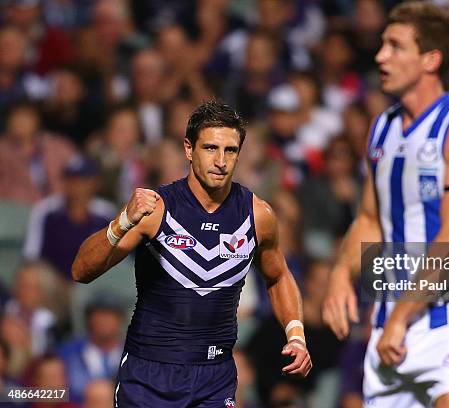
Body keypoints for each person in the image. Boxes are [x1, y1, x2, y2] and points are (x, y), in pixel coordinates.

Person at [72, 100, 312, 407]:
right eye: (211, 148)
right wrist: (121, 222)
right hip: (149, 376)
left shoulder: (258, 215)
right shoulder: (156, 209)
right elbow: (81, 271)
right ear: (189, 149)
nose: (221, 161)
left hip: (215, 378)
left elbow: (278, 276)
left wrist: (296, 336)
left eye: (230, 150)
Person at [323, 2, 449, 407]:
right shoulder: (382, 128)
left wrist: (402, 318)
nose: (381, 55)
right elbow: (370, 218)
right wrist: (340, 275)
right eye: (383, 44)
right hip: (389, 324)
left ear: (431, 59)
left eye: (395, 46)